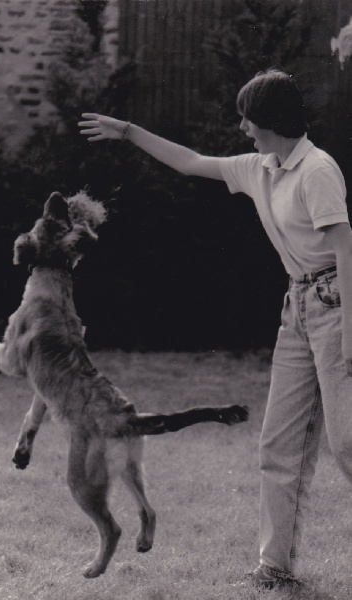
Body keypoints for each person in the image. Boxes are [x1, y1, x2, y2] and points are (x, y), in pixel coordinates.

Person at [78, 67, 352, 590]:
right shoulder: (261, 168)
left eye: (247, 117)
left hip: (339, 303)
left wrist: (351, 333)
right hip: (297, 309)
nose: (243, 128)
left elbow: (346, 249)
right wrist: (129, 131)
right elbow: (190, 162)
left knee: (348, 444)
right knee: (278, 445)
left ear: (269, 119)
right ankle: (275, 567)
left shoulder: (317, 170)